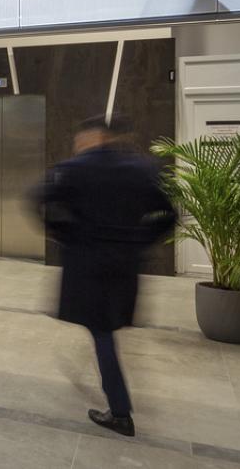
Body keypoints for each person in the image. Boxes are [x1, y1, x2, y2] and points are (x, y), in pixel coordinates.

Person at [32, 115, 177, 438]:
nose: (77, 145)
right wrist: (141, 240)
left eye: (80, 140)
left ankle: (121, 411)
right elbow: (169, 214)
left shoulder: (73, 169)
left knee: (101, 332)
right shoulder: (142, 169)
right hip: (125, 264)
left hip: (88, 263)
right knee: (107, 328)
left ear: (91, 137)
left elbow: (36, 199)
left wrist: (64, 233)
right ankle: (118, 401)